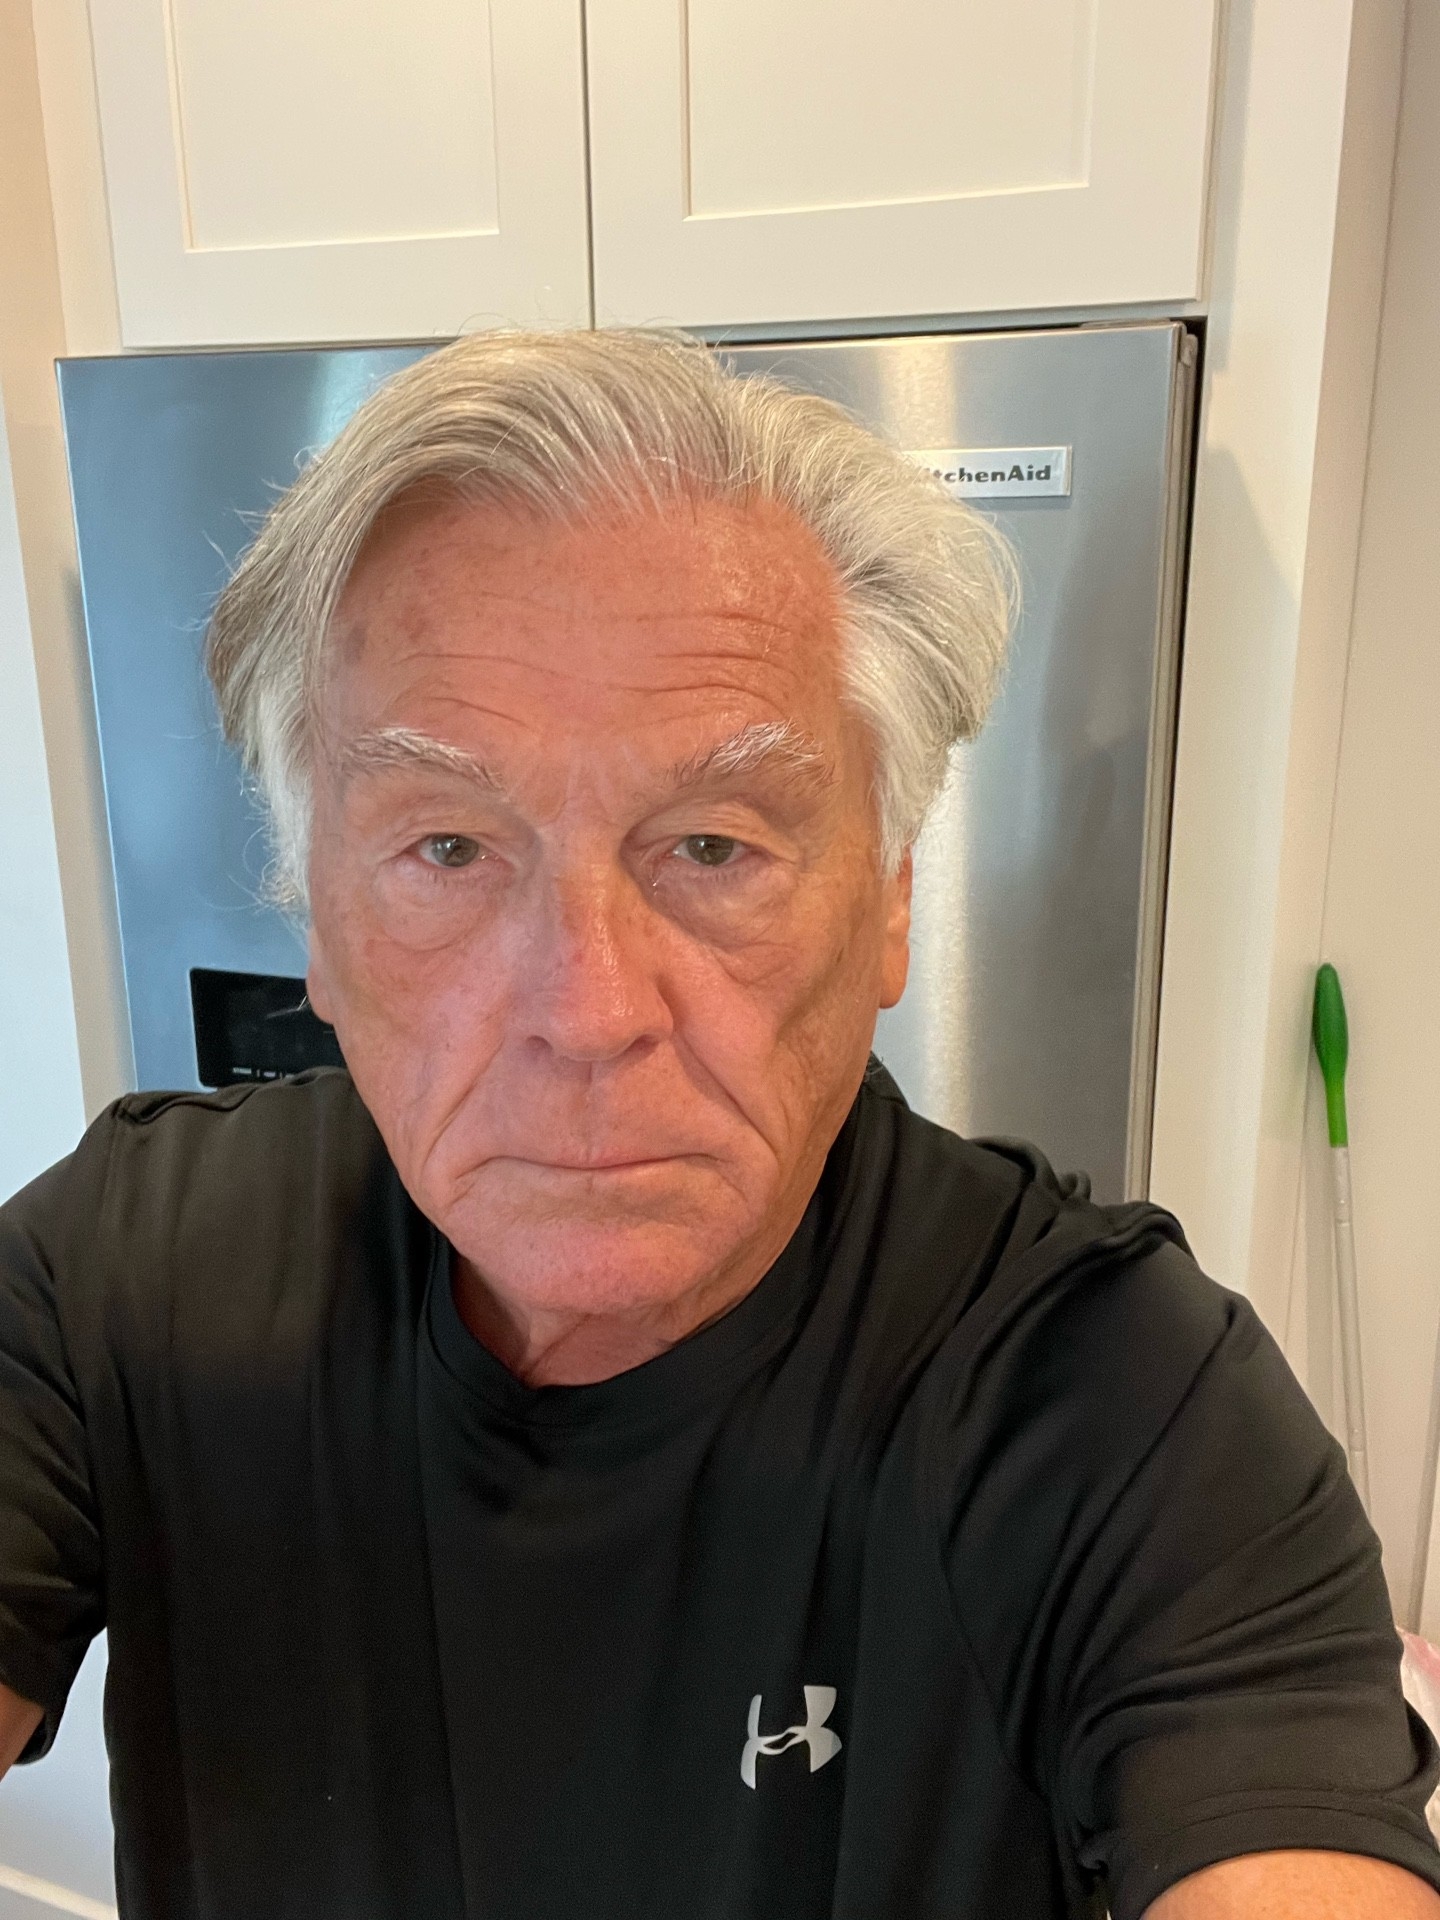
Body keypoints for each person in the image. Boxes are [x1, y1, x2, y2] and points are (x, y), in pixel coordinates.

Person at [0, 329, 1436, 1920]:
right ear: (316, 926)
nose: (588, 1009)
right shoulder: (121, 1280)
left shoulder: (1122, 1410)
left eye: (712, 846)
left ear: (889, 904)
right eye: (449, 849)